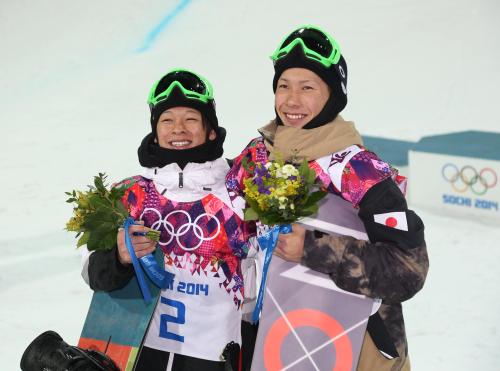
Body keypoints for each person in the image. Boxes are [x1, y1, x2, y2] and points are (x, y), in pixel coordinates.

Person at [226, 25, 429, 371]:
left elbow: (408, 269)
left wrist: (313, 248)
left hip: (352, 348)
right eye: (283, 86)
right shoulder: (256, 157)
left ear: (333, 95)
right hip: (269, 343)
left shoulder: (361, 170)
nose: (291, 100)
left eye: (308, 88)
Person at [82, 69, 255, 371]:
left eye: (190, 119)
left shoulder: (240, 191)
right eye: (167, 120)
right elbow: (92, 275)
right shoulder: (129, 194)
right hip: (141, 351)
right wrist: (119, 259)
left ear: (210, 129)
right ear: (155, 130)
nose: (178, 129)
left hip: (216, 355)